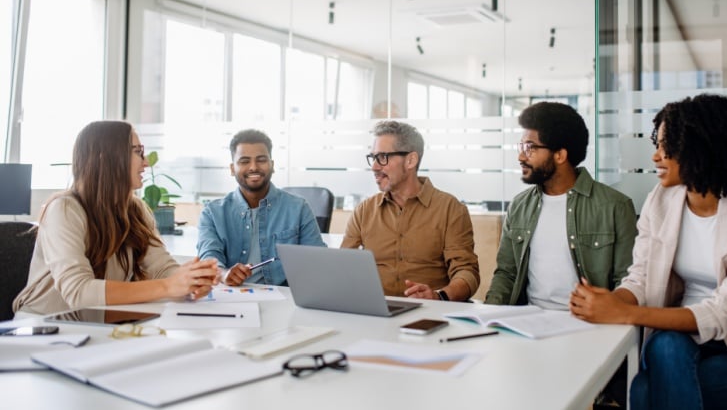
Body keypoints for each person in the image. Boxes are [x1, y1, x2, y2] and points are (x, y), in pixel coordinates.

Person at [570, 94, 727, 409]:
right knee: (666, 347)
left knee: (644, 391)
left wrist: (626, 313)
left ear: (703, 149)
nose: (656, 156)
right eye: (657, 144)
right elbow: (640, 276)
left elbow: (724, 312)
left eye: (668, 146)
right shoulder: (660, 201)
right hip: (676, 340)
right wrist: (609, 301)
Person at [13, 121, 219, 315]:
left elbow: (161, 268)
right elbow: (79, 292)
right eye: (138, 152)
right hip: (43, 324)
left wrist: (191, 281)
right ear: (106, 157)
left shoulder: (135, 209)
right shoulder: (64, 209)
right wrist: (169, 286)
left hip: (95, 321)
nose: (146, 162)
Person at [485, 102, 637, 308]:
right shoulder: (519, 206)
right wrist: (489, 314)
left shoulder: (615, 207)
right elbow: (506, 274)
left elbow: (627, 282)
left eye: (530, 148)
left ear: (560, 155)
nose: (521, 156)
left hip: (587, 324)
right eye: (521, 147)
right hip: (527, 321)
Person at [341, 120, 479, 302]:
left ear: (411, 160)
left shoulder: (450, 209)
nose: (374, 167)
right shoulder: (364, 210)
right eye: (373, 158)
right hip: (375, 311)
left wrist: (439, 296)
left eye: (383, 157)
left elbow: (467, 272)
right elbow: (342, 266)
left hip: (429, 312)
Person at [197, 129, 325, 286]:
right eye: (244, 161)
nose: (253, 167)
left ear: (272, 165)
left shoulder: (298, 208)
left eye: (261, 160)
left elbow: (317, 261)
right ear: (232, 169)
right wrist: (224, 274)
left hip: (284, 298)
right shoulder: (212, 213)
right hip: (232, 295)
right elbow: (208, 257)